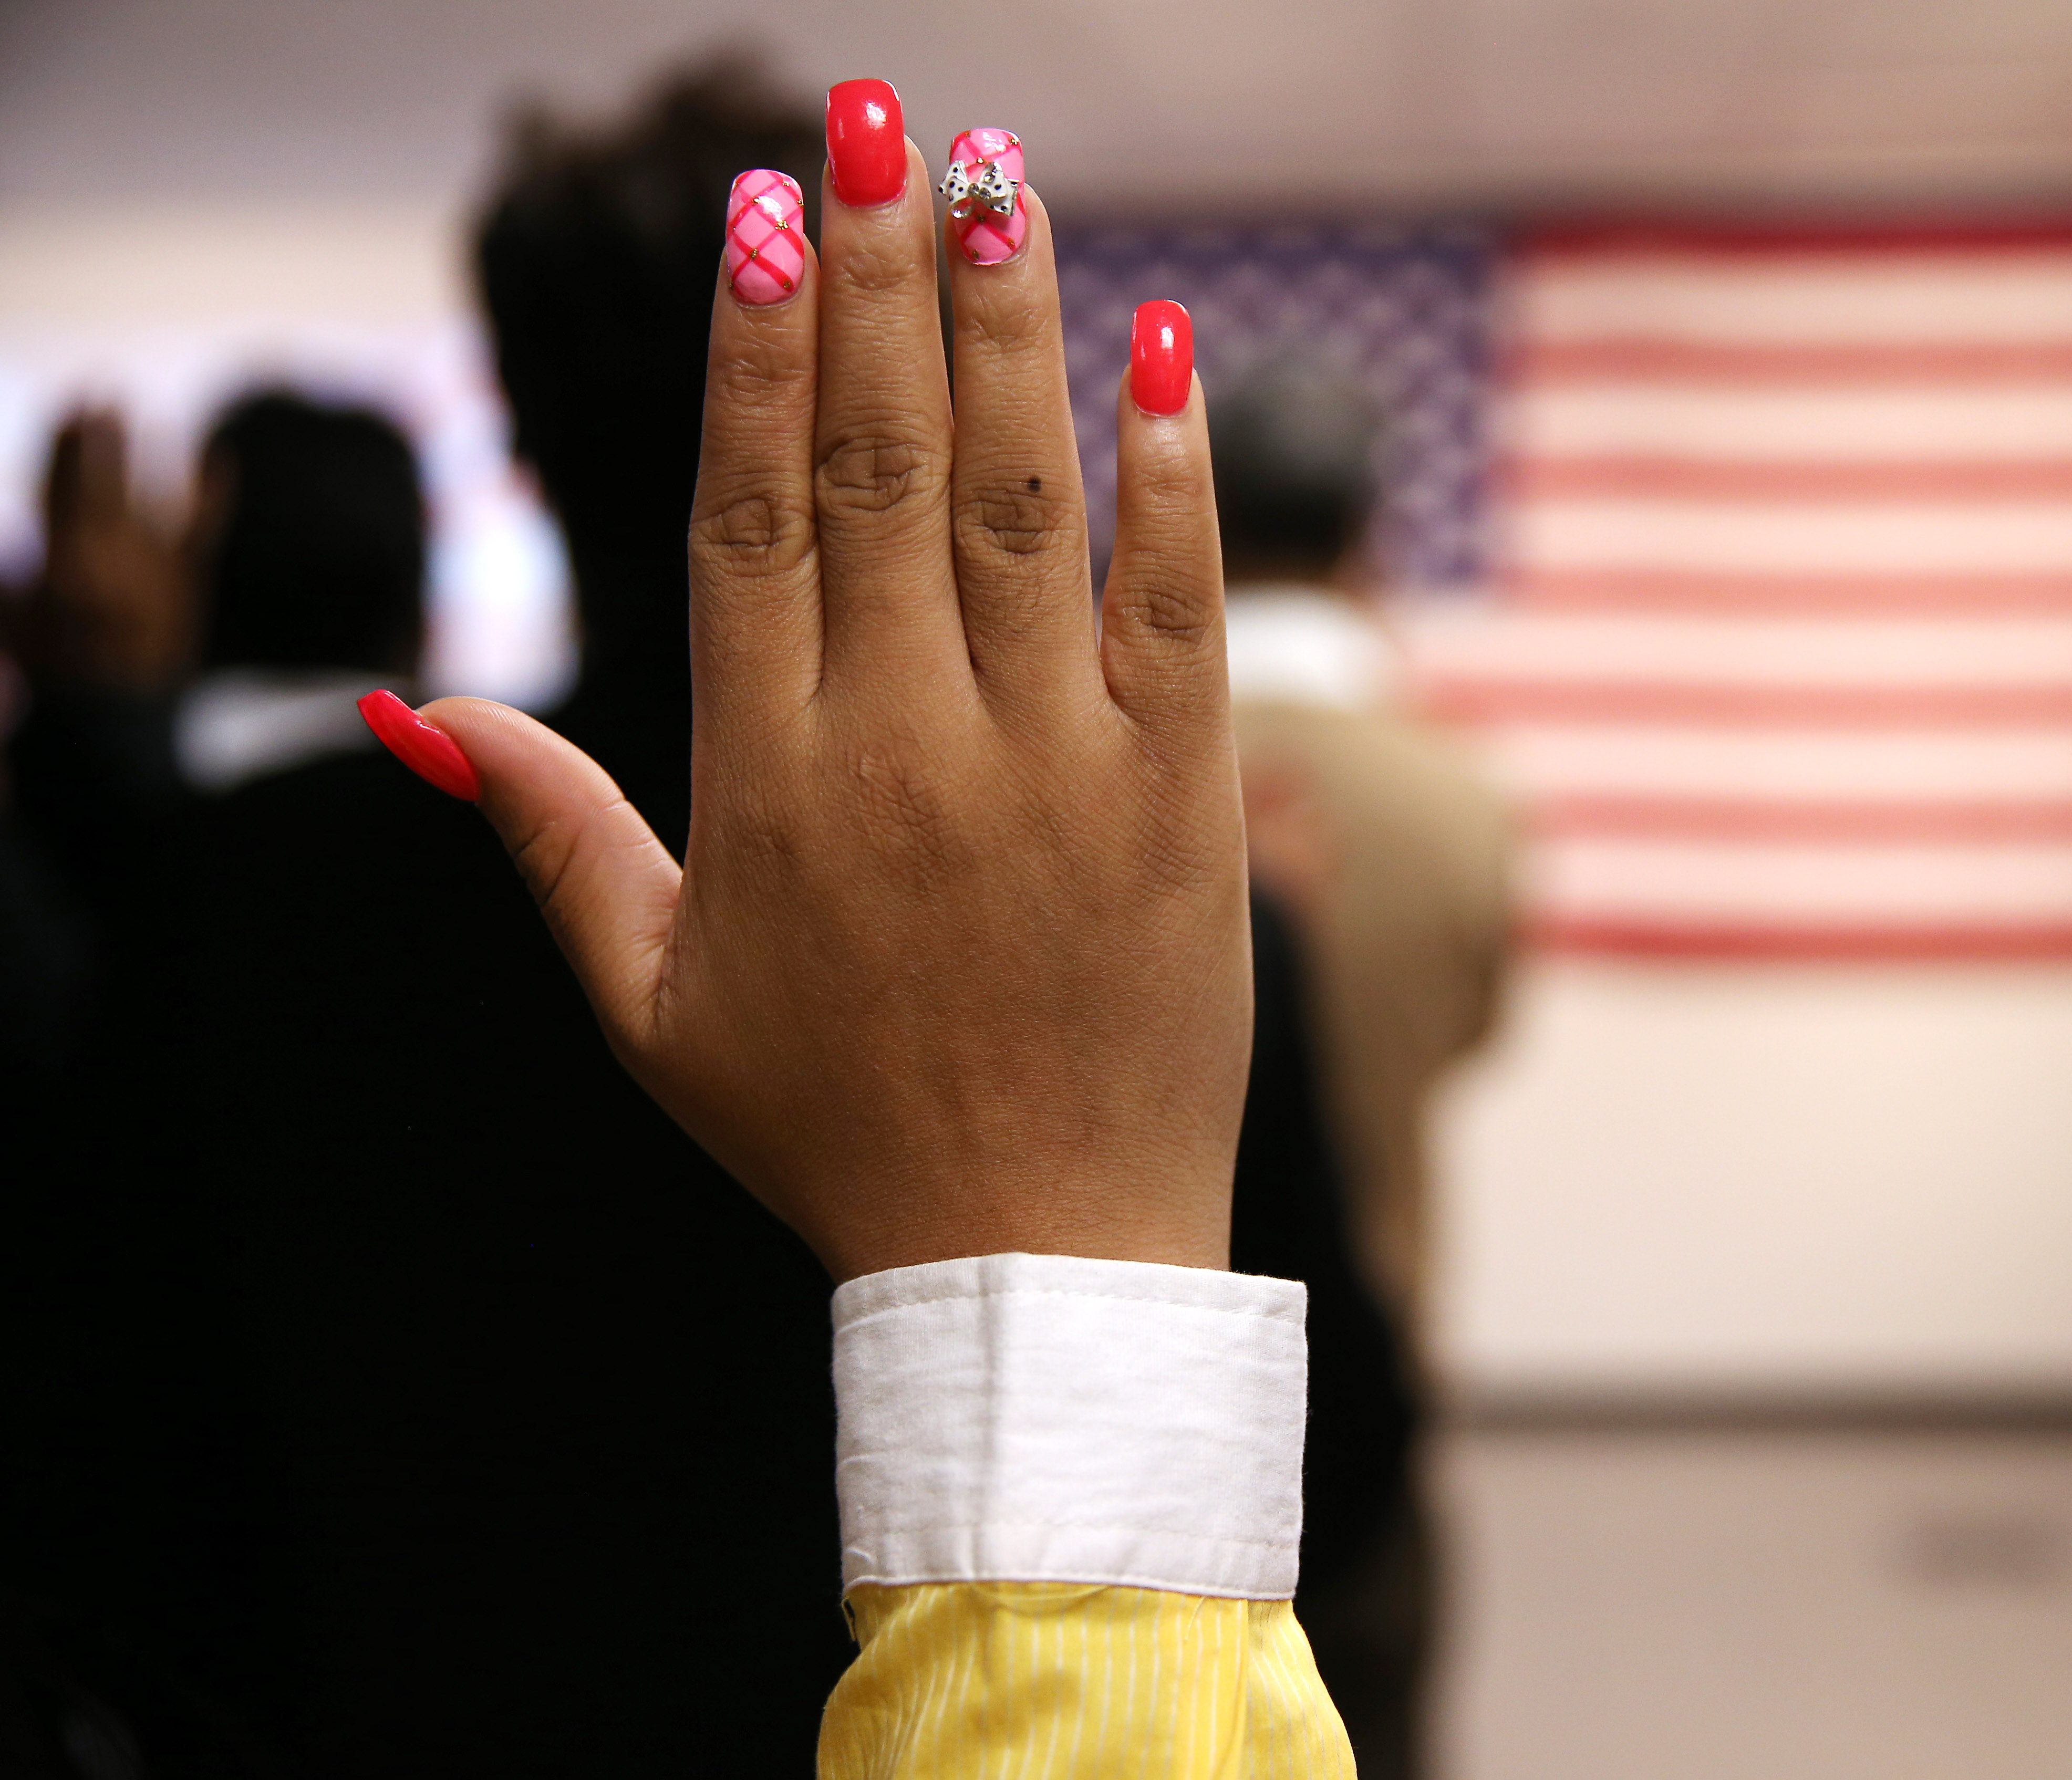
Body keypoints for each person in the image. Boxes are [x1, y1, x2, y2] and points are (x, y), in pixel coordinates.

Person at [359, 77, 1351, 1773]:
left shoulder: (280, 890)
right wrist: (1059, 1247)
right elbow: (1370, 1449)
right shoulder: (1168, 909)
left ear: (517, 433)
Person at [1211, 369, 1514, 1779]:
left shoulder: (1071, 782)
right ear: (1364, 542)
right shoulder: (1453, 797)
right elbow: (1466, 1032)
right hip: (1361, 1379)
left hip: (1108, 1408)